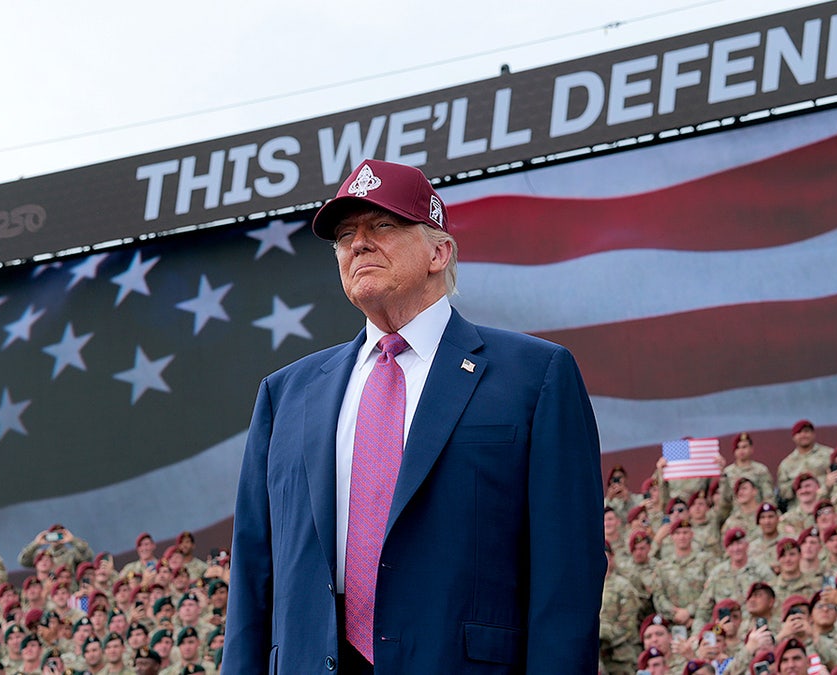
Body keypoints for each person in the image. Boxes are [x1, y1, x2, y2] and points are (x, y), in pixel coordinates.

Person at [222, 159, 604, 673]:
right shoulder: (286, 394)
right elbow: (253, 574)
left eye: (382, 225)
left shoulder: (536, 377)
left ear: (438, 251)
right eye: (344, 235)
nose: (357, 244)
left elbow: (568, 574)